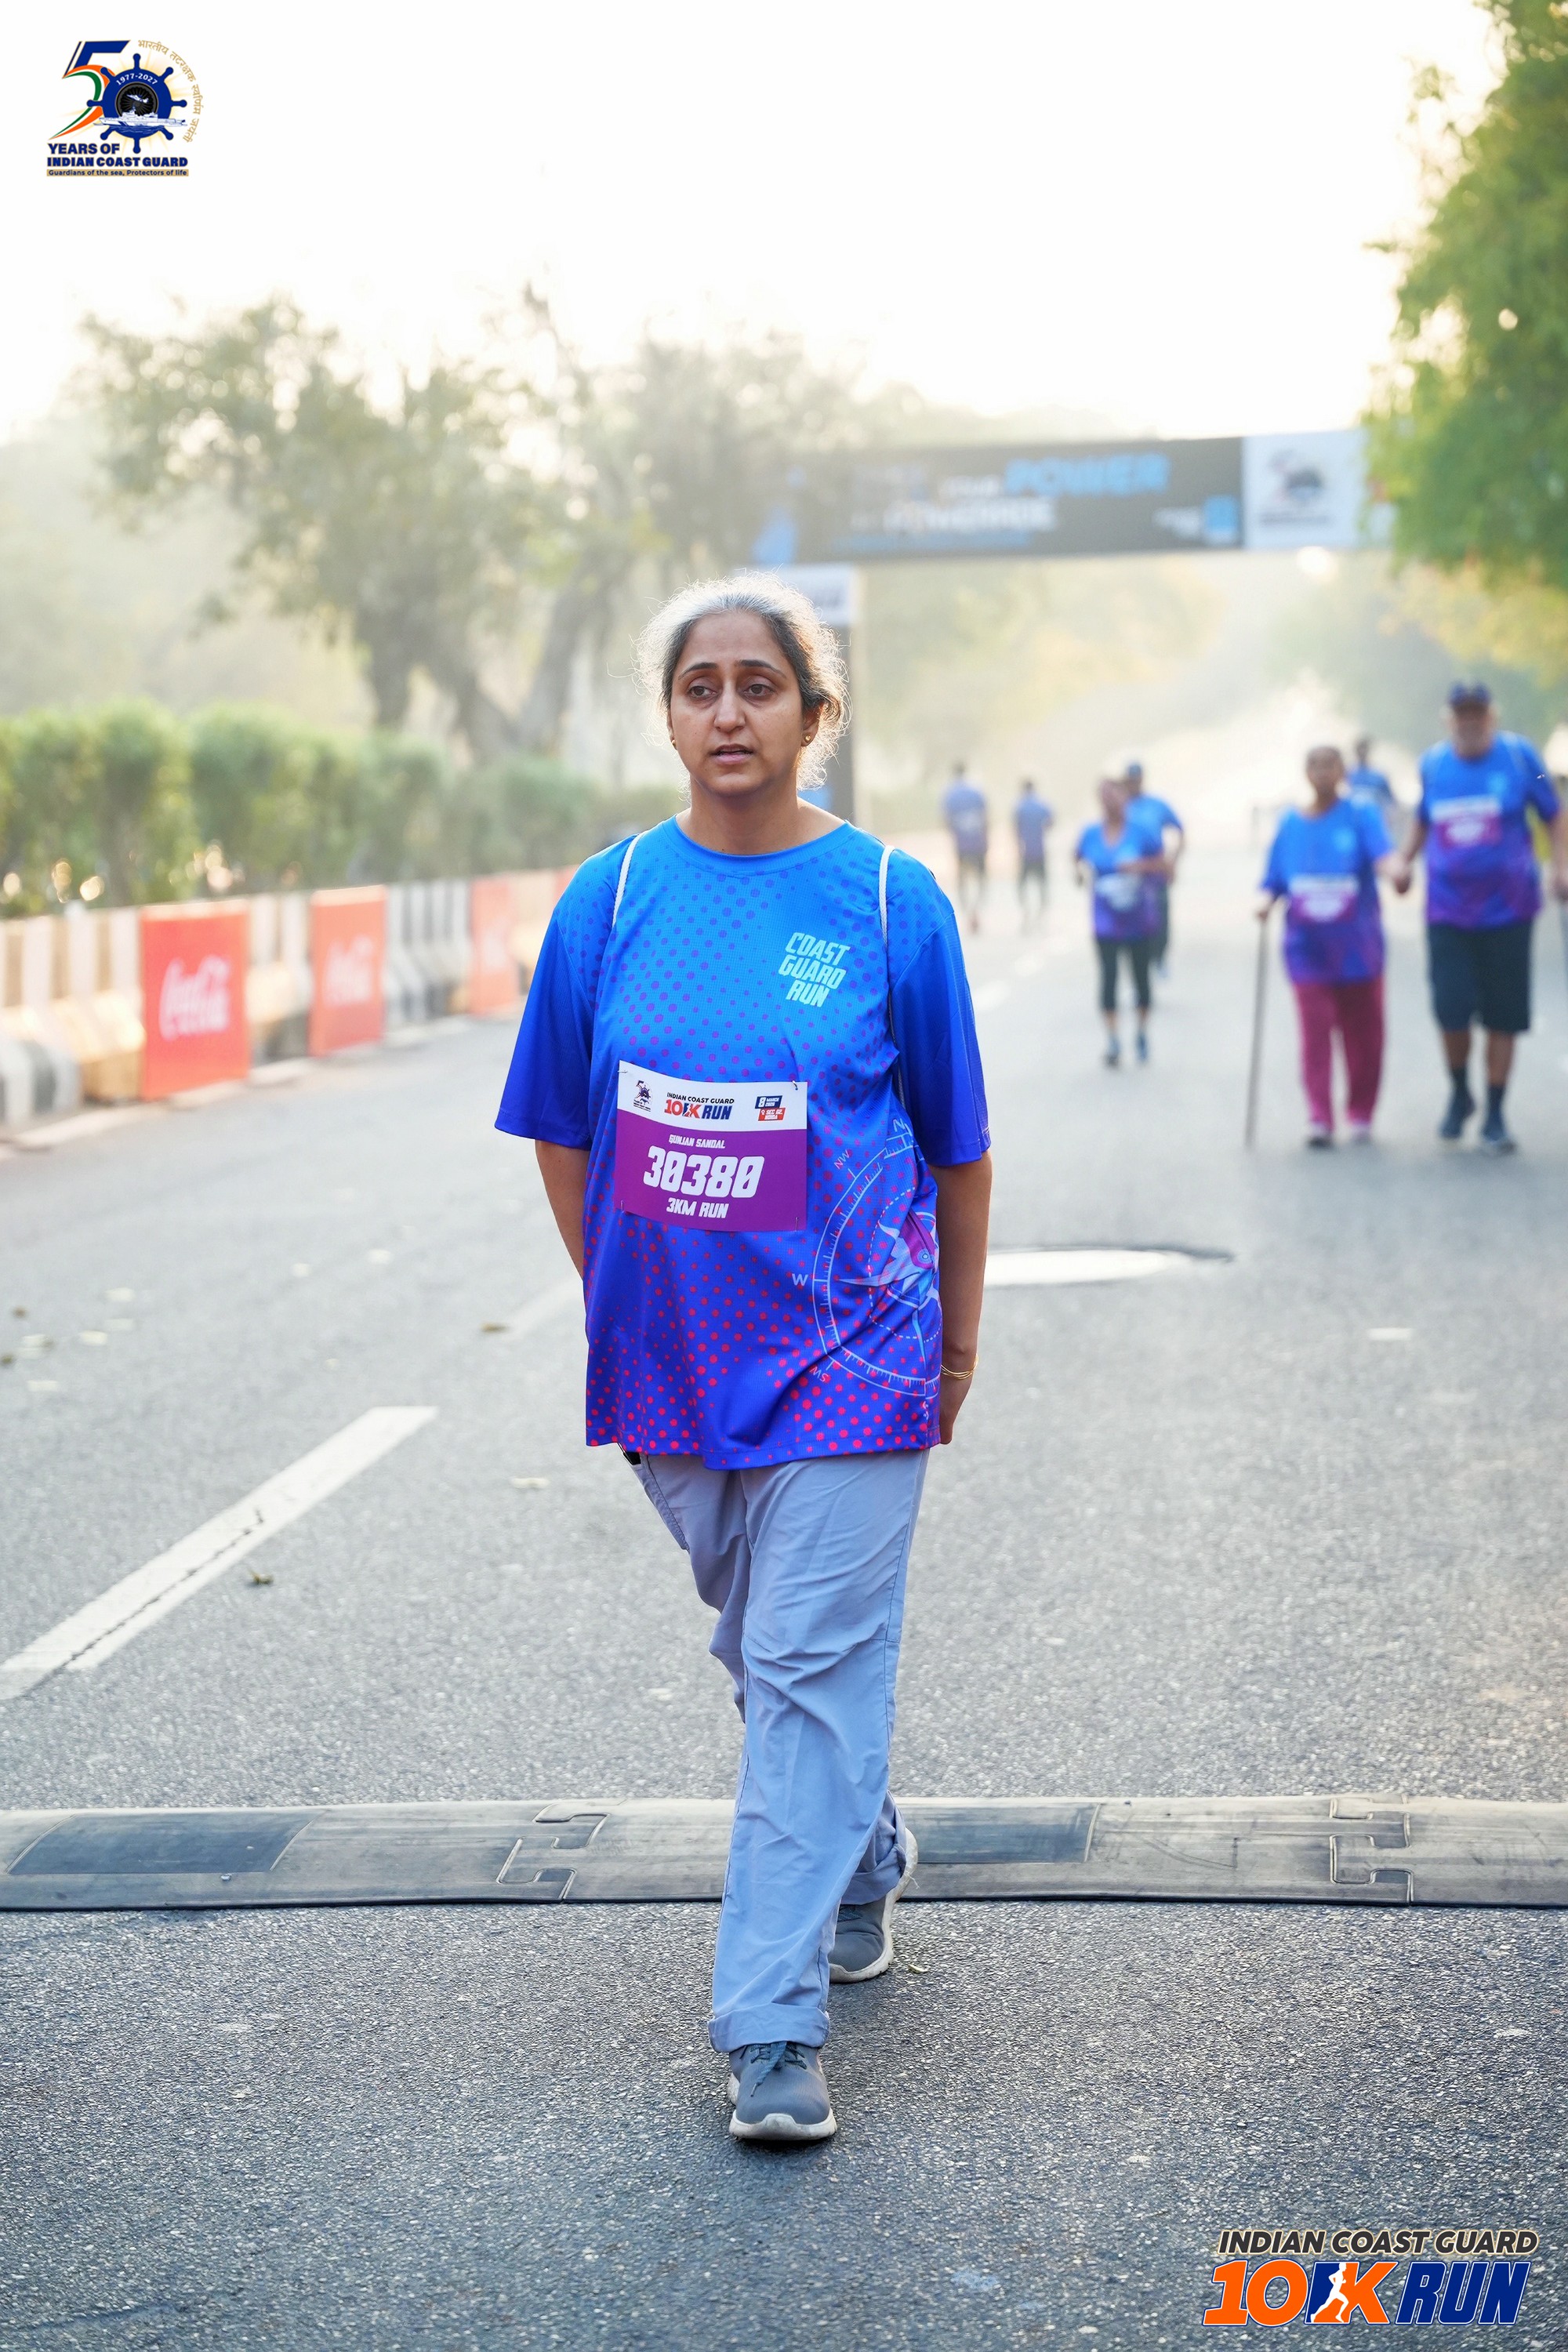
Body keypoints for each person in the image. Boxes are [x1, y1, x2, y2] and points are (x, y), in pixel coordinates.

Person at [496, 577, 992, 2147]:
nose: (727, 711)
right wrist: (618, 1296)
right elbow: (560, 1128)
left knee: (800, 1665)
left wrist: (957, 1337)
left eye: (759, 686)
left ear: (814, 714)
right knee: (770, 1649)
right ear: (668, 715)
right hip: (672, 1369)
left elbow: (958, 1146)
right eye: (699, 685)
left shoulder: (889, 901)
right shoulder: (610, 902)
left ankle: (769, 2028)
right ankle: (860, 1849)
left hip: (856, 1352)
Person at [1390, 682, 1568, 1152]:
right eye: (1461, 713)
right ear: (1449, 719)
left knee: (1503, 1014)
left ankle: (1495, 1112)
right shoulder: (1432, 764)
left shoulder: (1522, 759)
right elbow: (1423, 818)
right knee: (1451, 1009)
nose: (1469, 721)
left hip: (1509, 910)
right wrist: (1404, 861)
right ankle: (1459, 1091)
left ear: (1492, 716)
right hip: (1448, 911)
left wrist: (1562, 866)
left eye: (1478, 713)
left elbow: (1553, 810)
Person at [1258, 746, 1395, 1147]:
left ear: (1342, 771)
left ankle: (1360, 1112)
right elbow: (1273, 880)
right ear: (1306, 772)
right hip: (1307, 950)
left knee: (1365, 1039)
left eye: (1329, 765)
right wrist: (1264, 904)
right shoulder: (1290, 824)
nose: (1322, 772)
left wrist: (1397, 872)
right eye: (1314, 765)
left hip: (1358, 950)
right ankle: (1319, 1116)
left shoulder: (1361, 814)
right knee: (1314, 1036)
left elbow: (1384, 856)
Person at [1075, 776, 1169, 1065]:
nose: (1109, 802)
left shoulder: (1142, 831)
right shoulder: (1091, 833)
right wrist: (1080, 874)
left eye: (1114, 795)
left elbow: (1165, 867)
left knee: (1141, 978)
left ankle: (1141, 1032)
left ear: (1124, 798)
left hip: (1139, 920)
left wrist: (1139, 867)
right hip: (1105, 920)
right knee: (1108, 977)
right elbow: (1077, 858)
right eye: (1104, 797)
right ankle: (1113, 1039)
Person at [1119, 760, 1184, 974]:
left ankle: (1160, 956)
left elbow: (1179, 830)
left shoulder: (1155, 805)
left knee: (1161, 916)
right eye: (1130, 780)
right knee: (1132, 921)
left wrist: (1173, 861)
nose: (1134, 783)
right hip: (1129, 873)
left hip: (1155, 870)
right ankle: (1137, 962)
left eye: (1137, 779)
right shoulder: (1120, 806)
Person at [941, 760, 989, 935]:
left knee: (962, 880)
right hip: (978, 843)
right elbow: (986, 818)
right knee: (981, 879)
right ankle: (976, 910)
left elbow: (946, 821)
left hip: (961, 845)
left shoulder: (950, 795)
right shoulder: (977, 791)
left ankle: (967, 912)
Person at [1013, 779, 1054, 927]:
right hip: (1040, 850)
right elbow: (1051, 822)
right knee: (1042, 883)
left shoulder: (1020, 806)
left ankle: (1026, 911)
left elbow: (1016, 828)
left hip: (1025, 851)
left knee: (1023, 884)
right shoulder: (1042, 804)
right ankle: (1041, 913)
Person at [1346, 735, 1399, 823]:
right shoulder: (1348, 774)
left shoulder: (1378, 776)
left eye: (1364, 749)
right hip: (1353, 820)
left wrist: (1388, 817)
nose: (1362, 752)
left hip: (1374, 819)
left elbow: (1390, 800)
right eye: (1360, 749)